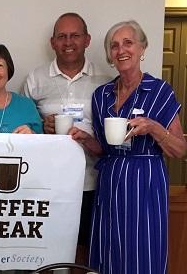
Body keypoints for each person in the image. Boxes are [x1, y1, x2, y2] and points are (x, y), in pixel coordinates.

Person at [69, 20, 187, 273]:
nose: (121, 50)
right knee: (107, 250)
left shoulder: (159, 91)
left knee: (142, 250)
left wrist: (153, 128)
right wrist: (84, 139)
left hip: (145, 181)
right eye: (114, 46)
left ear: (143, 48)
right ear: (110, 55)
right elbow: (104, 147)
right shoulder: (101, 95)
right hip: (110, 182)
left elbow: (180, 149)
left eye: (128, 43)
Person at [23, 12, 111, 264]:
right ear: (53, 42)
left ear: (87, 40)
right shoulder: (35, 79)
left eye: (75, 35)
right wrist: (42, 126)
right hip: (47, 183)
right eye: (62, 36)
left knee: (85, 248)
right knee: (45, 248)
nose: (68, 41)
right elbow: (23, 127)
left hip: (91, 180)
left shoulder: (106, 80)